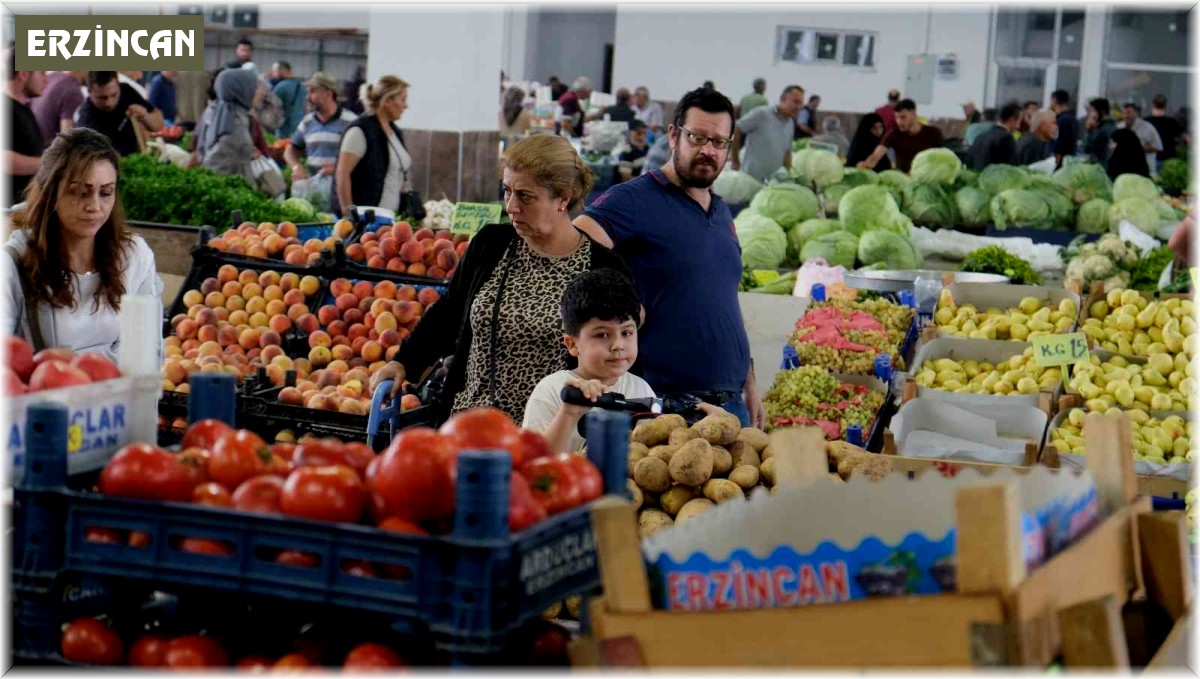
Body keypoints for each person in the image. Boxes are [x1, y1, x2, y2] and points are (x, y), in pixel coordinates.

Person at [368, 134, 630, 423]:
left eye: (525, 196)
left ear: (563, 198)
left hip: (547, 436)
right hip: (467, 424)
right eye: (507, 191)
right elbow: (449, 313)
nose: (511, 207)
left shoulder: (602, 268)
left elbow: (617, 355)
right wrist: (404, 362)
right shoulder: (490, 244)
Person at [574, 86, 762, 427]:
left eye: (718, 142)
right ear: (674, 135)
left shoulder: (720, 212)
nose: (708, 150)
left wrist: (748, 377)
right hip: (665, 407)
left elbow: (725, 300)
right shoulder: (633, 200)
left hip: (731, 404)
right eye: (697, 137)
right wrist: (622, 310)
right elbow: (573, 248)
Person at [1, 128, 162, 358]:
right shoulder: (14, 265)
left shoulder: (134, 256)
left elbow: (147, 354)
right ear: (50, 193)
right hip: (44, 392)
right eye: (79, 192)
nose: (94, 206)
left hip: (118, 393)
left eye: (105, 193)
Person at [522, 268, 654, 454]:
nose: (618, 345)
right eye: (602, 335)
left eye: (626, 333)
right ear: (572, 344)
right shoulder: (552, 390)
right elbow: (534, 462)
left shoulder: (642, 389)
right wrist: (568, 413)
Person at [334, 75, 413, 216]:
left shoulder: (395, 131)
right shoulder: (360, 130)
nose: (406, 105)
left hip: (390, 219)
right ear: (388, 101)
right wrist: (349, 214)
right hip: (367, 220)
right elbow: (342, 173)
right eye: (403, 99)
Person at [285, 71, 359, 202]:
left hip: (341, 195)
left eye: (313, 92)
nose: (308, 97)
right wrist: (296, 166)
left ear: (328, 94)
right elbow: (290, 150)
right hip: (315, 192)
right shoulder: (307, 122)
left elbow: (362, 160)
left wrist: (337, 168)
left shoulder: (351, 122)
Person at [194, 69, 263, 184]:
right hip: (233, 190)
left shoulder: (223, 114)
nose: (260, 92)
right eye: (254, 88)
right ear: (241, 90)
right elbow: (215, 167)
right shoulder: (233, 125)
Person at [75, 71, 164, 157]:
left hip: (138, 157)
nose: (109, 103)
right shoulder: (86, 121)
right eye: (102, 98)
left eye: (114, 95)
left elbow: (159, 125)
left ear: (118, 86)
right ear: (90, 92)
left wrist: (145, 116)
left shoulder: (126, 91)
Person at [732, 85, 803, 182]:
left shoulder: (790, 123)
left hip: (773, 182)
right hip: (751, 179)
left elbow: (787, 152)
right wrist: (735, 160)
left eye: (801, 104)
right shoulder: (762, 114)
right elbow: (736, 128)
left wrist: (789, 176)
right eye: (796, 102)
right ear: (783, 99)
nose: (798, 107)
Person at [5, 53, 47, 207]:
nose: (46, 80)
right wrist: (48, 163)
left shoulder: (23, 109)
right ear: (23, 74)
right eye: (41, 73)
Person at [858, 99, 944, 173]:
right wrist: (865, 164)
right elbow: (876, 155)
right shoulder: (893, 134)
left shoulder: (934, 133)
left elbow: (943, 159)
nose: (899, 122)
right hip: (902, 181)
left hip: (927, 179)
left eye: (903, 117)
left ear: (913, 114)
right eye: (896, 117)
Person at [31, 70, 84, 151]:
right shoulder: (73, 91)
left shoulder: (52, 76)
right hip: (46, 156)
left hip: (33, 146)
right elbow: (66, 142)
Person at [966, 102, 1020, 170]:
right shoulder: (1006, 138)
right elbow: (1012, 169)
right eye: (1018, 121)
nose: (1019, 126)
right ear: (1011, 120)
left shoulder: (980, 136)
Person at [1119, 102, 1163, 174]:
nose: (1126, 115)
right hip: (1124, 170)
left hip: (1146, 169)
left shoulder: (1147, 127)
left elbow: (1158, 147)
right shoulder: (1119, 127)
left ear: (1136, 113)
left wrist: (1137, 148)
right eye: (1123, 113)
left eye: (1129, 112)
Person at [1147, 95, 1187, 165]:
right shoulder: (1172, 122)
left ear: (1153, 105)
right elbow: (1185, 138)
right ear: (1165, 106)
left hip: (1151, 160)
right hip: (1170, 161)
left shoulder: (1146, 122)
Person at [271, 62, 306, 138]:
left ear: (281, 71)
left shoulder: (280, 87)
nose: (272, 74)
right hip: (301, 129)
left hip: (285, 132)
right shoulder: (302, 86)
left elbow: (271, 108)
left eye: (274, 71)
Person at [1083, 98, 1117, 167]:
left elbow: (1088, 148)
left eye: (1093, 110)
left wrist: (1090, 131)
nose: (1090, 114)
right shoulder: (1100, 126)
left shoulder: (1107, 128)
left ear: (1102, 112)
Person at [1049, 89, 1078, 168]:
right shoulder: (1073, 119)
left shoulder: (1061, 121)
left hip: (1060, 162)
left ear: (1054, 100)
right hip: (1070, 161)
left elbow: (1059, 143)